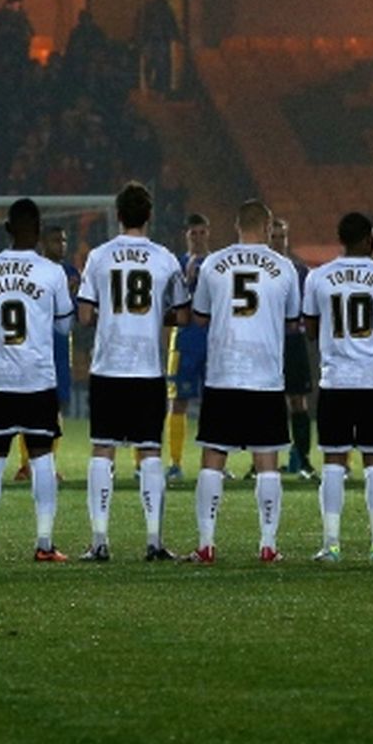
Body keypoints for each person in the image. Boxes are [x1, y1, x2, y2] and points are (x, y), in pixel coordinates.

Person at [75, 181, 190, 562]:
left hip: (109, 365)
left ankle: (100, 541)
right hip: (147, 367)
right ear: (149, 216)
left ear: (118, 215)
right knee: (150, 451)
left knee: (103, 449)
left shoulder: (99, 257)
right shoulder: (165, 258)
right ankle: (154, 541)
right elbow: (184, 314)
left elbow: (86, 314)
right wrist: (158, 314)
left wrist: (109, 315)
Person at [185, 199, 304, 564]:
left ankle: (206, 544)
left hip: (224, 372)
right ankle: (268, 545)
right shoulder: (284, 268)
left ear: (237, 226)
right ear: (268, 228)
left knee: (213, 457)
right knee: (267, 459)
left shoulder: (212, 265)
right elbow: (291, 321)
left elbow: (200, 317)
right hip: (265, 376)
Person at [0, 198, 77, 564]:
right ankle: (44, 543)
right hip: (37, 381)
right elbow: (64, 326)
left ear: (7, 228)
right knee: (42, 461)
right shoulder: (51, 272)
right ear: (40, 228)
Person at [301, 212, 373, 562]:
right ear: (368, 239)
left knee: (334, 461)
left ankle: (330, 545)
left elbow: (313, 329)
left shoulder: (319, 277)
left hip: (335, 380)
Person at [28, 223, 81, 484]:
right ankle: (26, 466)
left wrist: (73, 296)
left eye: (63, 240)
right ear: (42, 244)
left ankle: (48, 465)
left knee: (55, 407)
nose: (60, 245)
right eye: (55, 241)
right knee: (29, 405)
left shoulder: (71, 272)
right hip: (35, 347)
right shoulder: (34, 271)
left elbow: (80, 314)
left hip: (60, 347)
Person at [270, 215, 317, 479]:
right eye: (274, 237)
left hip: (292, 341)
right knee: (268, 400)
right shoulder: (261, 271)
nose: (278, 242)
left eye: (282, 237)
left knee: (298, 400)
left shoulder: (300, 272)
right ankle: (263, 461)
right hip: (268, 342)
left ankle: (302, 458)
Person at [166, 212, 211, 483]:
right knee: (177, 401)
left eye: (201, 232)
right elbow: (169, 303)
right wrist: (186, 277)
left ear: (209, 233)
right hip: (183, 340)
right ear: (186, 236)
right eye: (192, 233)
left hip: (211, 341)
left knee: (213, 404)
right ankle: (175, 463)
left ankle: (212, 464)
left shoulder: (218, 264)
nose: (197, 238)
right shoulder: (175, 265)